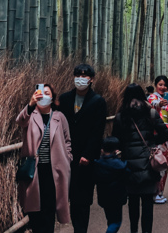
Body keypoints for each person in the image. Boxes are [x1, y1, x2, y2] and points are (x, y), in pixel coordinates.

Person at [113, 83, 168, 233]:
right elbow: (165, 133)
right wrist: (151, 143)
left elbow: (116, 139)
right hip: (147, 163)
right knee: (147, 202)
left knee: (132, 201)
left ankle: (133, 230)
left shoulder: (120, 116)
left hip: (129, 163)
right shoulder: (150, 112)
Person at [15, 83, 72, 233]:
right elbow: (20, 121)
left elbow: (67, 141)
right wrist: (30, 104)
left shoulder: (60, 117)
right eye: (40, 93)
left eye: (47, 93)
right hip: (35, 171)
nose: (43, 96)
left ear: (53, 97)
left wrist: (68, 158)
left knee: (49, 211)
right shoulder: (30, 115)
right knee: (34, 212)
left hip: (54, 171)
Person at [60, 63, 109, 233]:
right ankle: (77, 228)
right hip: (67, 155)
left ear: (92, 79)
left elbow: (98, 131)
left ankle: (81, 230)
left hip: (87, 158)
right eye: (78, 75)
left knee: (84, 197)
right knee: (72, 196)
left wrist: (88, 154)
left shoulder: (98, 101)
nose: (81, 79)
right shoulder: (64, 99)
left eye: (85, 76)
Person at [146, 75, 168, 204]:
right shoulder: (152, 98)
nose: (163, 87)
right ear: (156, 85)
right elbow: (152, 104)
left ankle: (160, 192)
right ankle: (154, 192)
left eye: (165, 85)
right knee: (156, 162)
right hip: (156, 134)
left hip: (167, 133)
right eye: (160, 84)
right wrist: (159, 104)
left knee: (165, 163)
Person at [93, 136, 129, 233]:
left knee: (110, 219)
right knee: (116, 221)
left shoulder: (98, 164)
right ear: (116, 150)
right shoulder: (120, 165)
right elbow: (126, 174)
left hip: (104, 196)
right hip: (117, 196)